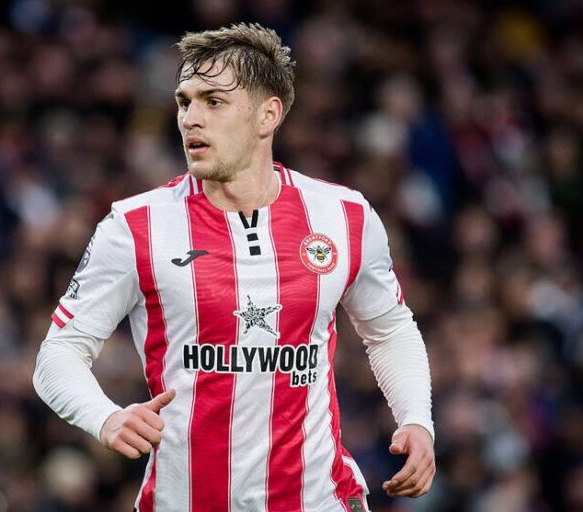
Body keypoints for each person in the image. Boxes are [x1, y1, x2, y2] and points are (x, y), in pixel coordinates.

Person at [33, 22, 435, 512]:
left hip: (318, 500)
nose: (190, 118)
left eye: (213, 101)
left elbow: (389, 329)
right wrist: (105, 417)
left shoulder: (343, 216)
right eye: (184, 102)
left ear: (268, 115)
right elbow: (58, 353)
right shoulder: (135, 226)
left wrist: (416, 418)